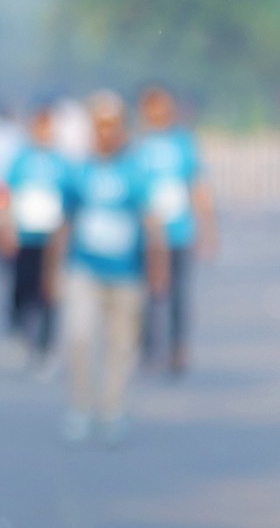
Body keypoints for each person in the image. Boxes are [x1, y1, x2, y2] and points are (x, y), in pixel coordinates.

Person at [56, 92, 165, 444]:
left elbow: (153, 223)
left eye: (112, 125)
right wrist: (52, 271)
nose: (106, 132)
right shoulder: (78, 171)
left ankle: (112, 409)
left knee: (121, 346)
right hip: (84, 270)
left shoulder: (136, 171)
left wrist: (158, 268)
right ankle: (81, 408)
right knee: (80, 338)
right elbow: (64, 223)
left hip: (127, 273)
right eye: (100, 126)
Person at [132, 85, 216, 375]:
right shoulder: (138, 147)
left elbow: (198, 187)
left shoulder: (184, 144)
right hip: (146, 234)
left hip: (179, 231)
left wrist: (208, 230)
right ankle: (146, 347)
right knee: (147, 291)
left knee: (179, 293)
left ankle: (177, 348)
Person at [0, 105, 69, 362]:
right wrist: (5, 227)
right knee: (22, 288)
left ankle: (45, 345)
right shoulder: (21, 161)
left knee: (49, 291)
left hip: (51, 239)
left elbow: (70, 203)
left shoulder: (62, 163)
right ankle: (19, 333)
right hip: (24, 236)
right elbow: (7, 196)